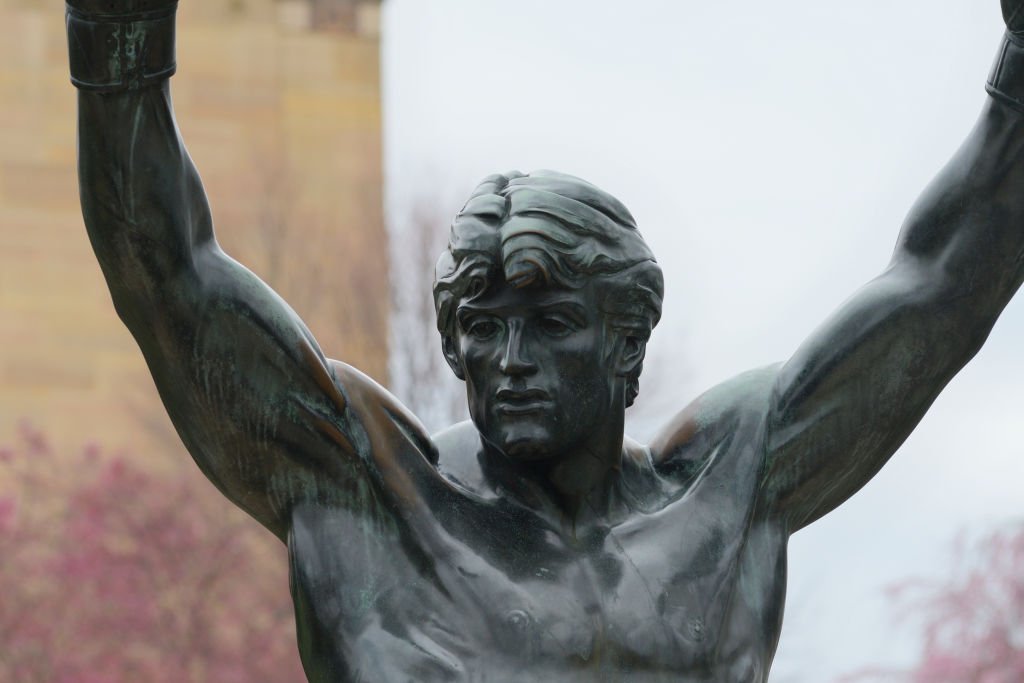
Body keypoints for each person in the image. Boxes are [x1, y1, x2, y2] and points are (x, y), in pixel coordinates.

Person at [66, 2, 1024, 681]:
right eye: (481, 328)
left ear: (627, 343)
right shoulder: (373, 492)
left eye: (552, 324)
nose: (508, 360)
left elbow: (938, 292)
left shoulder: (728, 490)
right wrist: (120, 35)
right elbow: (167, 275)